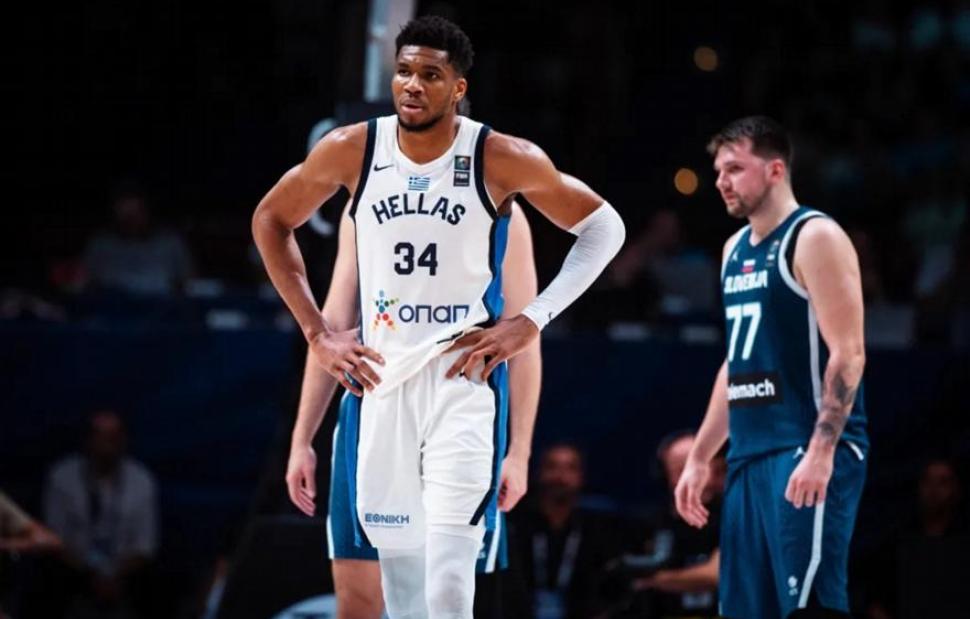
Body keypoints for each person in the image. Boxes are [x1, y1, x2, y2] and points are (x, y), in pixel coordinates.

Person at [252, 15, 625, 618]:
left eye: (430, 74)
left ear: (458, 88)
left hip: (461, 384)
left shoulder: (499, 157)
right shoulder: (353, 150)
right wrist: (316, 332)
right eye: (404, 71)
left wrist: (531, 320)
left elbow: (604, 227)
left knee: (450, 585)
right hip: (382, 387)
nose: (412, 85)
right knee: (400, 593)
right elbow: (271, 219)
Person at [285, 199, 542, 619]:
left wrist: (519, 452)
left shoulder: (502, 204)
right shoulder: (365, 197)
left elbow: (526, 339)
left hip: (461, 411)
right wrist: (302, 440)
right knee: (359, 600)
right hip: (375, 409)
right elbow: (334, 323)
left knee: (447, 594)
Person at [674, 116, 869, 619]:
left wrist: (822, 451)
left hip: (803, 447)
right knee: (745, 609)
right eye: (719, 171)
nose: (722, 181)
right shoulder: (732, 250)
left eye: (735, 169)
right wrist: (700, 457)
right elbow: (736, 363)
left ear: (776, 170)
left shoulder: (815, 236)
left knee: (808, 606)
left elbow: (849, 352)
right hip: (747, 455)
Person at [44, 410, 160, 618]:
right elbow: (53, 539)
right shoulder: (63, 477)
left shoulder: (141, 481)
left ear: (124, 440)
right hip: (73, 575)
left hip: (124, 578)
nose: (107, 444)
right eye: (100, 435)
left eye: (113, 436)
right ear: (87, 439)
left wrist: (113, 576)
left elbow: (145, 545)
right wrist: (90, 573)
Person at [506, 443, 628, 619]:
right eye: (552, 467)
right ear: (538, 473)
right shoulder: (515, 525)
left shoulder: (599, 529)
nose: (560, 476)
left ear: (581, 476)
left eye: (570, 468)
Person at [620, 431, 724, 618]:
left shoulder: (731, 516)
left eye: (702, 466)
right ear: (665, 475)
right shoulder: (650, 524)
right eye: (681, 469)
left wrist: (651, 580)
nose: (694, 477)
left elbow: (714, 575)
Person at [83, 184, 194, 296]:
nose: (132, 221)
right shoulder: (101, 245)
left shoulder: (170, 242)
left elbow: (190, 285)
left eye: (136, 213)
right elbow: (84, 285)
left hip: (160, 304)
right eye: (126, 216)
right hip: (112, 304)